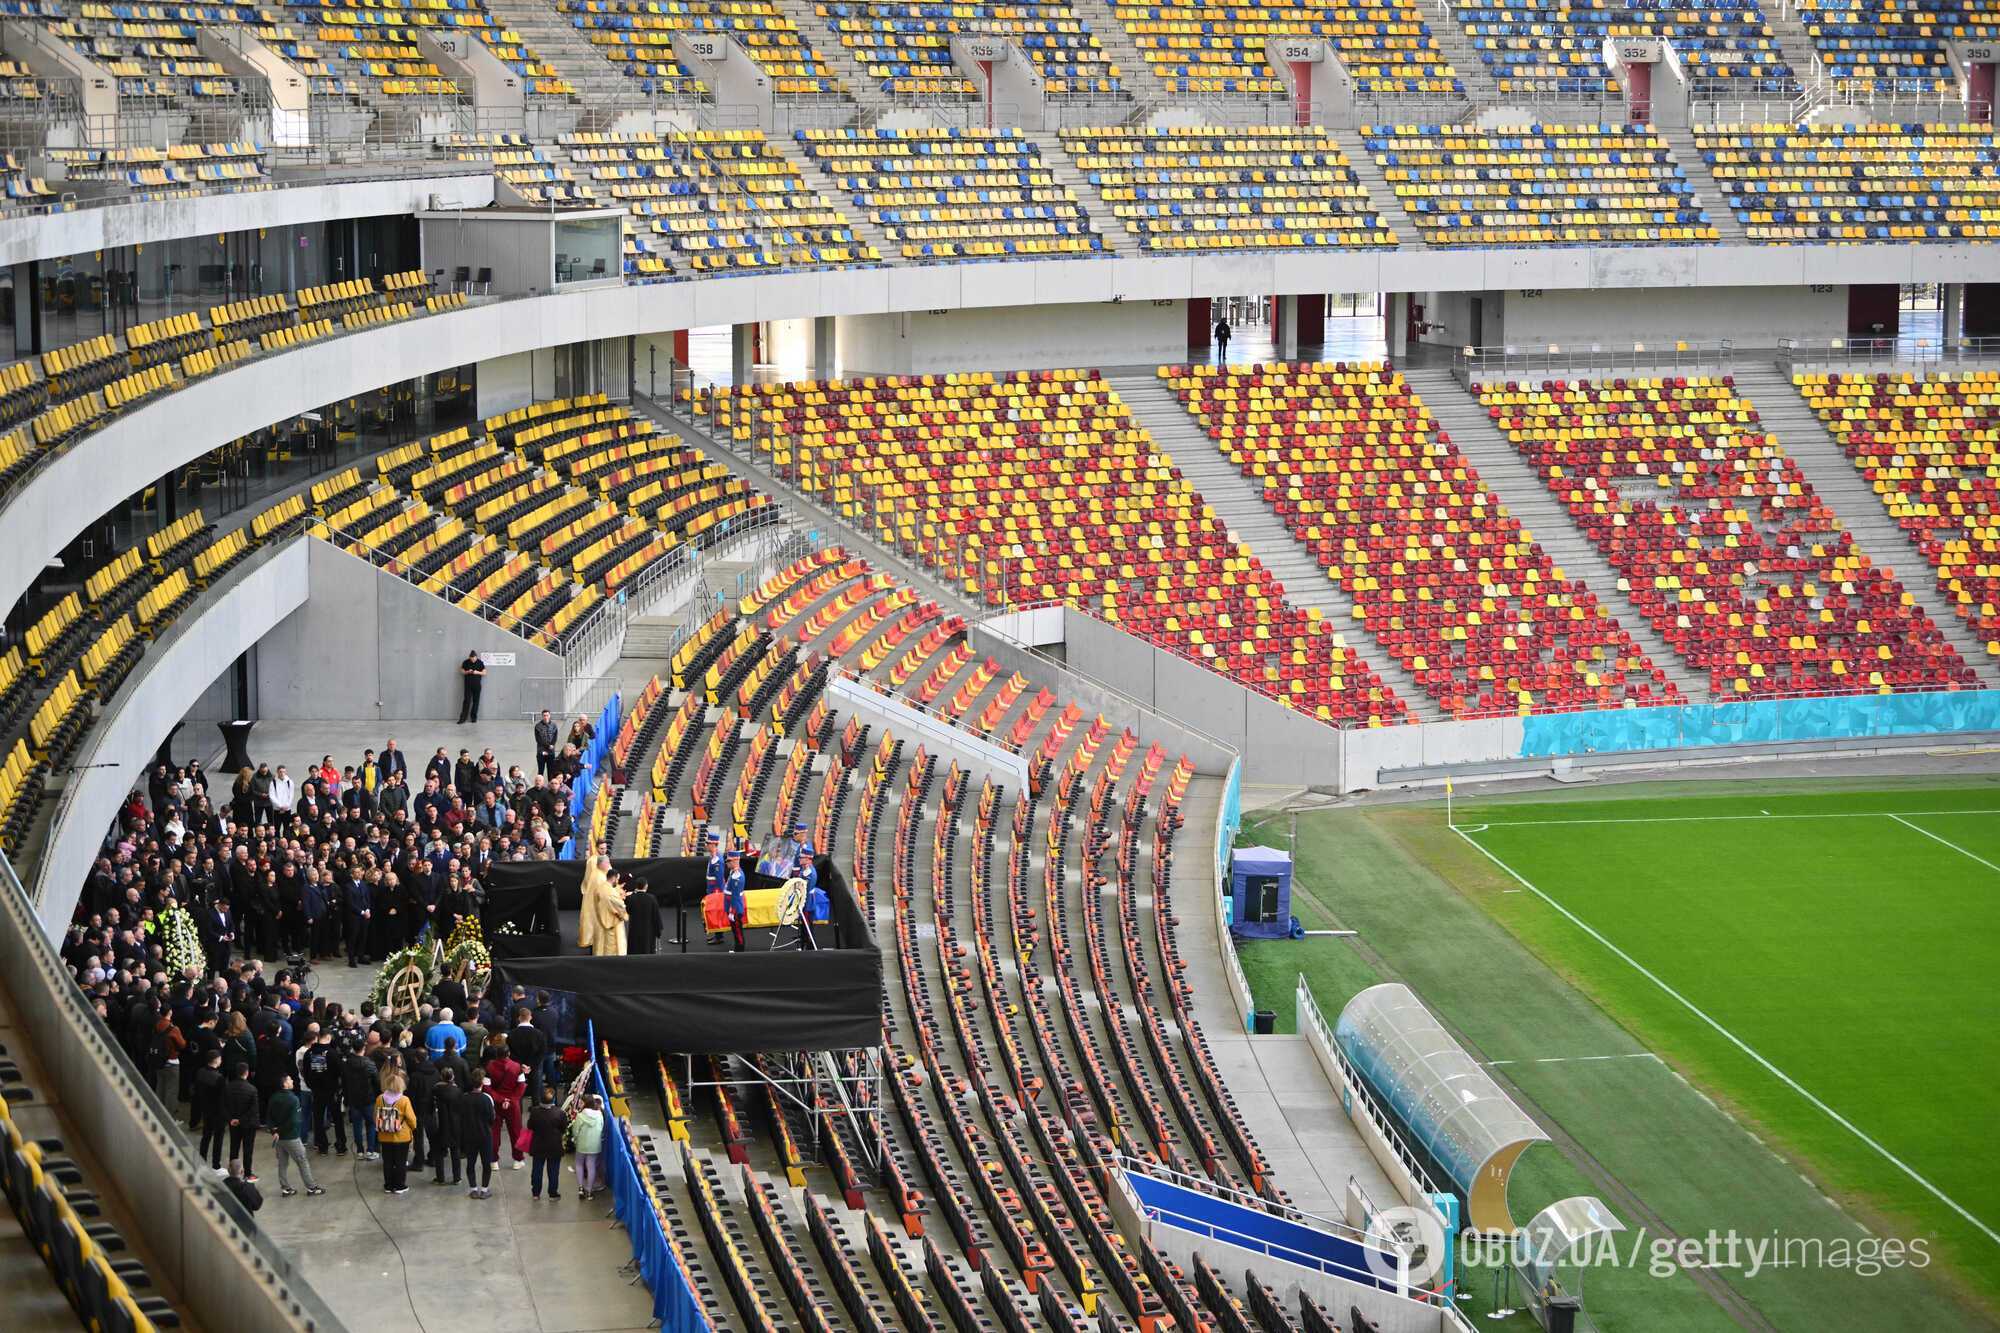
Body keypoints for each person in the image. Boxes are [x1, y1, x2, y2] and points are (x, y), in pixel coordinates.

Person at [267, 1072, 324, 1198]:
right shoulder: (293, 1099)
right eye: (290, 1079)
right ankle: (311, 1187)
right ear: (284, 1084)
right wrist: (280, 1131)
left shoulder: (273, 1098)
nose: (292, 1080)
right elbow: (294, 1121)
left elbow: (269, 1117)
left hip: (278, 1139)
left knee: (282, 1163)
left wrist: (274, 1131)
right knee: (302, 1161)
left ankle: (285, 1188)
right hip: (291, 1137)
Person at [485, 1035, 529, 1168]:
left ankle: (493, 1161)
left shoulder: (489, 1067)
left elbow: (487, 1087)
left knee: (494, 1132)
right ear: (508, 1054)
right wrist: (511, 1100)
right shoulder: (517, 1067)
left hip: (495, 1104)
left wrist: (500, 1099)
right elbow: (521, 1086)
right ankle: (518, 1160)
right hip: (513, 1104)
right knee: (516, 1132)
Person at [373, 1070, 418, 1195]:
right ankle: (399, 1186)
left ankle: (388, 1185)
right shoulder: (404, 1100)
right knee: (400, 1162)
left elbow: (375, 1116)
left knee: (387, 1161)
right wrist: (413, 1128)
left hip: (384, 1135)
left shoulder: (379, 1098)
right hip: (401, 1137)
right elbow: (411, 1119)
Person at [221, 1061, 261, 1181]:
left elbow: (223, 1106)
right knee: (247, 1149)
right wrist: (240, 1120)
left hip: (233, 1124)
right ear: (247, 1073)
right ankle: (248, 1174)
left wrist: (231, 1119)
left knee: (234, 1148)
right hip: (248, 1124)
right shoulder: (252, 1089)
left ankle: (233, 1173)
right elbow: (253, 1110)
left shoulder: (228, 1087)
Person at [526, 1085, 566, 1201]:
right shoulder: (560, 1113)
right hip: (554, 1146)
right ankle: (553, 1194)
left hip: (538, 1145)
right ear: (553, 1099)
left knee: (537, 1170)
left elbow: (530, 1126)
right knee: (553, 1171)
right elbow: (563, 1128)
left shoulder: (535, 1112)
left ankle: (536, 1193)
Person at [462, 1073, 498, 1199]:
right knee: (486, 1163)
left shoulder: (464, 1098)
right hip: (485, 1136)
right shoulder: (487, 1099)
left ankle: (473, 1189)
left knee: (470, 1163)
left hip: (469, 1135)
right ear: (482, 1084)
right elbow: (492, 1118)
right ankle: (484, 1189)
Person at [192, 1050, 227, 1170]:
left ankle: (201, 1162)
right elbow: (223, 1099)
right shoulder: (219, 1078)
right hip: (218, 1113)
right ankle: (216, 1165)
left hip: (206, 1110)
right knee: (218, 1139)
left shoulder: (200, 1072)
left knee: (206, 1136)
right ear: (216, 1060)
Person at [429, 1067, 463, 1185]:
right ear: (453, 1077)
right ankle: (457, 1177)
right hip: (455, 1125)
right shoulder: (458, 1091)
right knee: (455, 1152)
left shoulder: (436, 1090)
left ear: (441, 1077)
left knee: (438, 1153)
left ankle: (440, 1178)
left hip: (440, 1124)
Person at [571, 1093, 605, 1201]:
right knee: (591, 1167)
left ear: (586, 1104)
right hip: (595, 1145)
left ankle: (581, 1188)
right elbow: (602, 1128)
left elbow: (575, 1131)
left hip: (582, 1144)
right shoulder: (600, 1115)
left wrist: (575, 1138)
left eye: (581, 1102)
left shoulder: (580, 1116)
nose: (580, 1104)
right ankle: (590, 1191)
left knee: (579, 1164)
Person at [722, 849, 747, 952]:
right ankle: (738, 948)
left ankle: (740, 950)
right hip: (733, 907)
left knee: (737, 931)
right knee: (735, 930)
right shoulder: (733, 873)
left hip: (735, 909)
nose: (727, 863)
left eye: (729, 861)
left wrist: (732, 912)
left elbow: (735, 896)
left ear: (735, 861)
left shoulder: (738, 877)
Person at [458, 650, 485, 724]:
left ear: (476, 657)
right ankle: (463, 718)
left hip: (477, 685)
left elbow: (485, 672)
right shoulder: (466, 662)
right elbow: (461, 671)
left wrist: (477, 672)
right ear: (469, 657)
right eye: (471, 658)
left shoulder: (480, 662)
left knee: (476, 701)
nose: (473, 659)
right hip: (468, 685)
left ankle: (474, 718)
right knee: (467, 701)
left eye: (474, 658)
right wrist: (467, 672)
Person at [533, 710, 558, 778]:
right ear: (542, 716)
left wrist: (552, 744)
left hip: (551, 751)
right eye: (544, 715)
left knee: (550, 770)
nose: (546, 717)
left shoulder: (554, 725)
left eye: (547, 715)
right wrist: (548, 746)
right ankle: (540, 784)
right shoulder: (538, 726)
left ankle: (550, 786)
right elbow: (538, 739)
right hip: (541, 751)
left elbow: (555, 736)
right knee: (541, 770)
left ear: (549, 716)